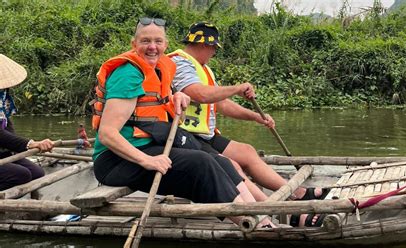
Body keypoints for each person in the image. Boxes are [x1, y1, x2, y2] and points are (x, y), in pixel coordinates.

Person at [91, 17, 275, 228]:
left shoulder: (160, 68)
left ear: (166, 45)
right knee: (200, 163)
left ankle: (262, 218)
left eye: (158, 41)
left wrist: (175, 96)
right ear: (134, 44)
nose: (152, 47)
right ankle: (252, 224)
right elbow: (107, 134)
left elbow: (154, 102)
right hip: (117, 161)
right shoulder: (128, 74)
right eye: (145, 41)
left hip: (149, 147)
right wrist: (147, 161)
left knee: (220, 160)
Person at [168, 22, 329, 227]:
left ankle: (296, 194)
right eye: (214, 48)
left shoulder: (204, 68)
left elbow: (222, 104)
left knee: (246, 151)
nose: (214, 52)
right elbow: (198, 93)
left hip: (204, 134)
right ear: (204, 45)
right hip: (184, 135)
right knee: (231, 165)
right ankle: (282, 213)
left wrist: (255, 116)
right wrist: (236, 88)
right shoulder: (179, 63)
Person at [0, 54, 54, 191]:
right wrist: (30, 144)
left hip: (2, 154)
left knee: (37, 173)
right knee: (20, 174)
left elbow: (6, 127)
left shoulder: (3, 100)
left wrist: (23, 147)